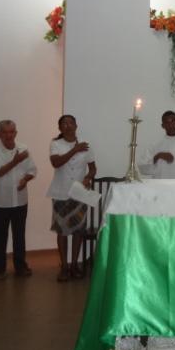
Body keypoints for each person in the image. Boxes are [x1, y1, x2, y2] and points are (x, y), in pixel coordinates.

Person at [46, 114, 97, 282]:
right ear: (60, 128)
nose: (68, 125)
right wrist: (74, 149)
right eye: (64, 123)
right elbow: (56, 163)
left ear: (76, 125)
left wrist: (88, 178)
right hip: (61, 193)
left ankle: (75, 264)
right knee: (62, 231)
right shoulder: (56, 144)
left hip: (79, 193)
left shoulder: (86, 144)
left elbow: (92, 169)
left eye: (70, 122)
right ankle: (64, 266)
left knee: (78, 230)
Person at [0, 120, 36, 280]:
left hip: (20, 201)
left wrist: (25, 180)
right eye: (5, 132)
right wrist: (15, 161)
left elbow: (32, 170)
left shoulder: (24, 149)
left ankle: (20, 267)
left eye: (11, 131)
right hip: (0, 201)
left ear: (16, 132)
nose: (9, 135)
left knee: (19, 236)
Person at [138, 111, 175, 179]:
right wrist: (158, 156)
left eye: (173, 121)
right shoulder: (155, 145)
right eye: (167, 122)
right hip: (159, 187)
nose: (170, 125)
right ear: (163, 126)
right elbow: (142, 168)